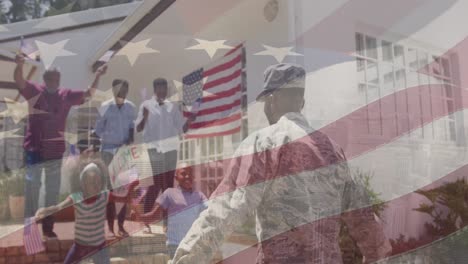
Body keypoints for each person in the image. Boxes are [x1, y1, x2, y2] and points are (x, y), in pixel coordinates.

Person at [172, 64, 392, 264]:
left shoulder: (263, 144)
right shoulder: (333, 151)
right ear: (301, 103)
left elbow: (225, 210)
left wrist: (184, 260)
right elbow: (362, 217)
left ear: (271, 100)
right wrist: (376, 256)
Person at [13, 53, 107, 239]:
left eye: (56, 78)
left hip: (55, 152)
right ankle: (29, 230)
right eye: (50, 78)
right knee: (32, 187)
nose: (53, 81)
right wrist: (19, 65)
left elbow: (88, 94)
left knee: (52, 190)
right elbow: (19, 80)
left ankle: (48, 228)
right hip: (34, 149)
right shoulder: (35, 90)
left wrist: (97, 75)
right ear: (45, 78)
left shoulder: (66, 95)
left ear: (59, 79)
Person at [35, 161, 138, 264]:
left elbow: (125, 199)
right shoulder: (76, 198)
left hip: (99, 247)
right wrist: (45, 210)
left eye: (98, 181)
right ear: (83, 183)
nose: (96, 185)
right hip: (80, 246)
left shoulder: (105, 196)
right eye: (92, 182)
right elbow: (59, 207)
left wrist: (131, 190)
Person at [135, 78, 195, 233]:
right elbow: (139, 128)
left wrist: (189, 120)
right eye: (160, 88)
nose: (163, 91)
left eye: (165, 88)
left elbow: (181, 127)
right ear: (155, 89)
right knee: (155, 186)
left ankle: (167, 223)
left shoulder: (172, 107)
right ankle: (146, 222)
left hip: (170, 150)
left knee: (168, 187)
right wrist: (146, 116)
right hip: (154, 150)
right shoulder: (146, 105)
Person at [133, 163, 207, 259]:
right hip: (175, 245)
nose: (187, 176)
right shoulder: (169, 193)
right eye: (183, 174)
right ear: (176, 177)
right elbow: (154, 215)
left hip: (192, 244)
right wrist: (139, 217)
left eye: (190, 173)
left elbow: (209, 209)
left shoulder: (199, 196)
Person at [93, 79, 136, 237]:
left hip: (123, 153)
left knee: (123, 191)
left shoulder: (131, 107)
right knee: (110, 192)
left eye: (124, 90)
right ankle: (110, 228)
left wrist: (129, 142)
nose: (121, 93)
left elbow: (132, 129)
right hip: (108, 153)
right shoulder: (105, 107)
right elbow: (97, 131)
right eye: (118, 90)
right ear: (113, 90)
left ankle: (121, 226)